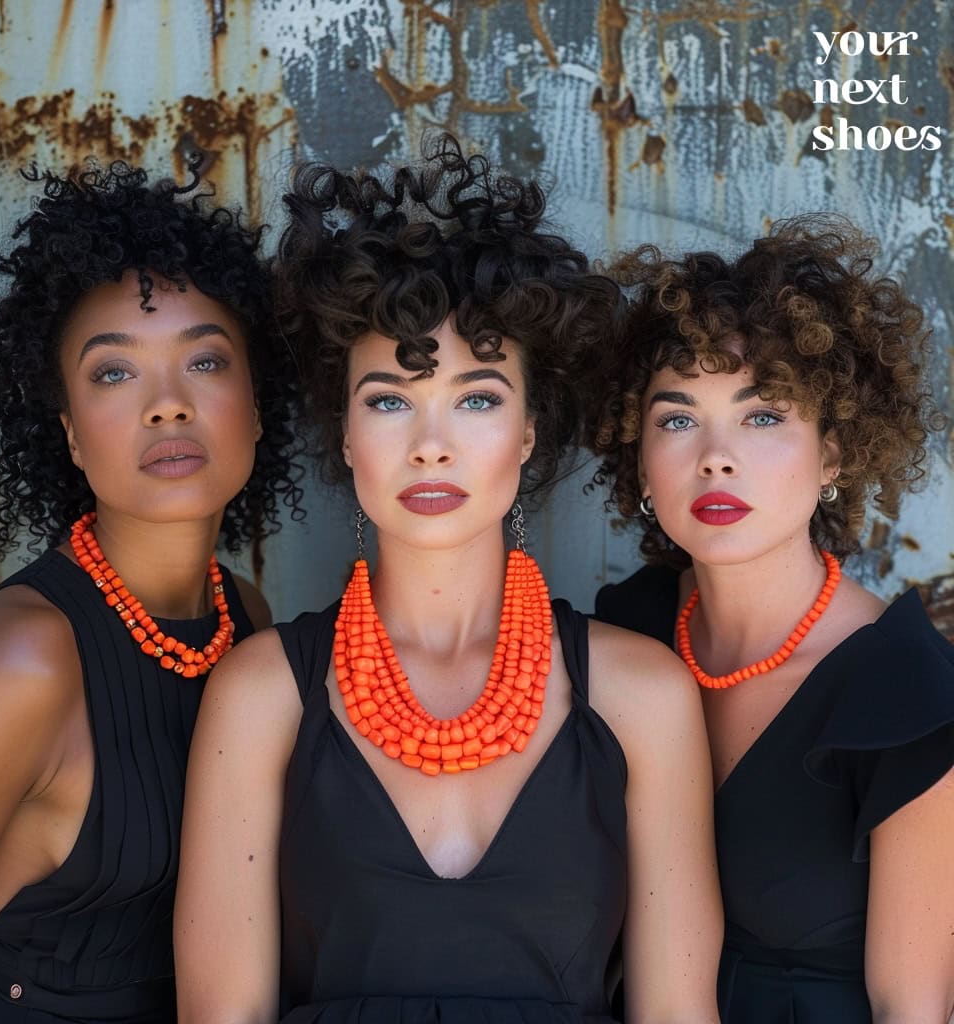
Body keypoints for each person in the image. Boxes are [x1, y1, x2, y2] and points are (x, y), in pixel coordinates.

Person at [174, 139, 722, 1024]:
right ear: (345, 435)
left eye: (478, 397)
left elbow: (680, 1012)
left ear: (531, 431)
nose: (432, 443)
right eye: (390, 399)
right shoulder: (262, 694)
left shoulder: (641, 695)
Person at [0, 159, 301, 1022]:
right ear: (66, 431)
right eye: (112, 373)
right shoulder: (27, 658)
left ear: (255, 402)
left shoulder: (244, 616)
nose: (167, 406)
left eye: (205, 362)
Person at [589, 216, 954, 1023]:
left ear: (833, 454)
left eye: (764, 415)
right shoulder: (627, 631)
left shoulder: (907, 695)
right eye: (677, 418)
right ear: (639, 459)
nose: (716, 455)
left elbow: (913, 1007)